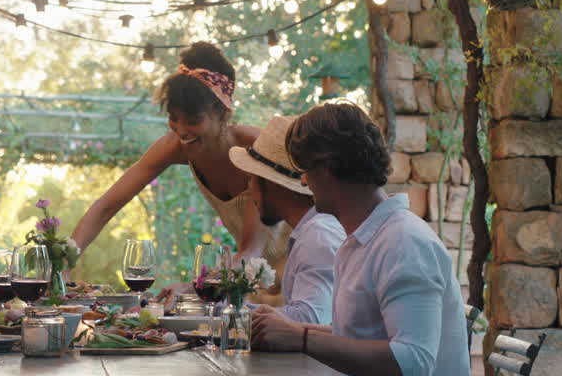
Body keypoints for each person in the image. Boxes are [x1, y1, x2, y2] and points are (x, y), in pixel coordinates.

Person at [251, 102, 470, 376]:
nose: (304, 182)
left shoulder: (403, 242)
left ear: (327, 167)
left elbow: (413, 360)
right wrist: (291, 330)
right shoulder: (363, 240)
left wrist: (301, 338)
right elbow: (356, 336)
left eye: (306, 170)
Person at [71, 43, 291, 294]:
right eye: (173, 118)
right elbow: (106, 205)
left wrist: (191, 288)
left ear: (223, 112)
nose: (182, 131)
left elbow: (252, 251)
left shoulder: (255, 149)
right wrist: (65, 261)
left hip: (305, 273)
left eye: (194, 120)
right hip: (252, 280)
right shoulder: (174, 146)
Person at [229, 115, 344, 329]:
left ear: (271, 183)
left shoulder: (318, 235)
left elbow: (311, 318)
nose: (250, 190)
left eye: (252, 179)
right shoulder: (309, 231)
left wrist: (233, 316)